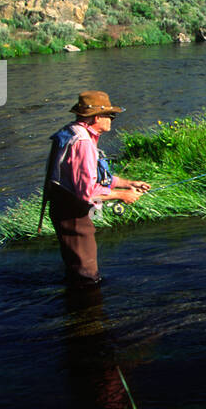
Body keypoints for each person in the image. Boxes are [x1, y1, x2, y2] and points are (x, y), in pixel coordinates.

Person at [41, 90, 150, 287]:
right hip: (72, 213)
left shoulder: (74, 131)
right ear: (98, 117)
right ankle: (87, 313)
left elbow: (92, 176)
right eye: (111, 116)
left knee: (77, 269)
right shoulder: (82, 143)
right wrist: (122, 195)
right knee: (87, 278)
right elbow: (88, 192)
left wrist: (128, 184)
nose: (112, 120)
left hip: (65, 207)